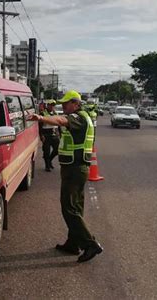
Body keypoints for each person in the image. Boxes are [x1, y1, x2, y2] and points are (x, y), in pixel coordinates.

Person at [28, 90, 103, 263]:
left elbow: (61, 120)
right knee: (75, 207)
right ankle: (73, 243)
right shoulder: (82, 116)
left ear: (76, 103)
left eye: (66, 103)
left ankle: (90, 244)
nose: (63, 106)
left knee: (68, 208)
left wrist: (40, 118)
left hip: (75, 170)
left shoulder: (78, 117)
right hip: (75, 168)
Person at [40, 100, 60, 171]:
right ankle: (47, 166)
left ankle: (49, 161)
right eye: (50, 105)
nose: (52, 106)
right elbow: (40, 125)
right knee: (46, 152)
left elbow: (59, 124)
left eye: (53, 105)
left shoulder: (55, 113)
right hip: (46, 135)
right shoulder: (43, 113)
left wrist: (60, 134)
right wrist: (41, 135)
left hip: (55, 135)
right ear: (47, 105)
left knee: (57, 150)